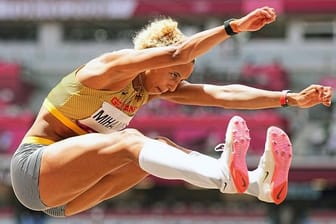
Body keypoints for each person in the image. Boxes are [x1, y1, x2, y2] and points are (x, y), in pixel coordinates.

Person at [10, 6, 333, 218]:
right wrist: (233, 27)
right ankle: (224, 175)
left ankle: (252, 184)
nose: (175, 85)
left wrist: (289, 98)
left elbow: (222, 94)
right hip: (33, 171)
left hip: (66, 200)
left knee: (155, 151)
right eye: (175, 75)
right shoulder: (107, 69)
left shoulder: (145, 90)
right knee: (132, 140)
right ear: (156, 61)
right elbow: (179, 51)